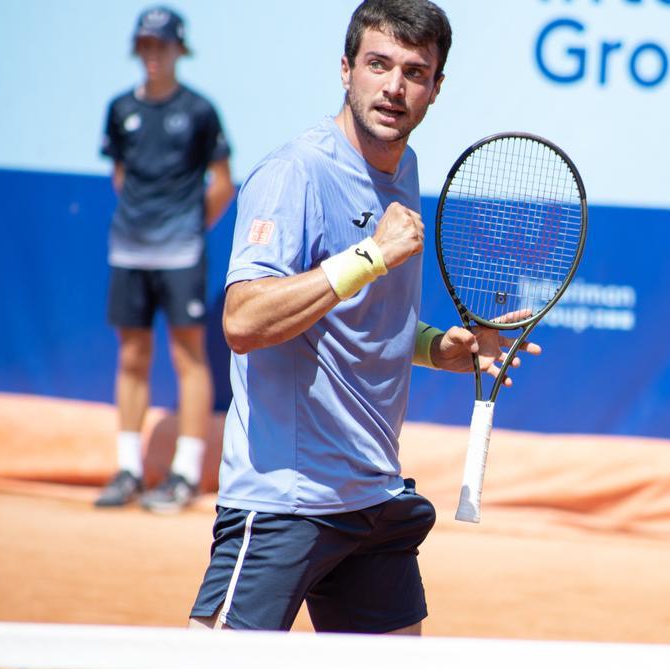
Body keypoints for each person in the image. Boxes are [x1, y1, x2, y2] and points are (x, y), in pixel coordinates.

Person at [187, 0, 541, 633]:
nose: (393, 86)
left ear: (435, 88)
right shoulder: (294, 173)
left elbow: (360, 322)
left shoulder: (403, 168)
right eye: (378, 64)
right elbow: (243, 321)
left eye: (414, 71)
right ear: (346, 70)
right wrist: (371, 254)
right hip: (285, 503)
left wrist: (442, 349)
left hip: (372, 499)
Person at [94, 6, 234, 513]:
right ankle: (129, 468)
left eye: (163, 46)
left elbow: (222, 184)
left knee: (187, 357)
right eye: (146, 46)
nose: (153, 56)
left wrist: (187, 231)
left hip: (181, 253)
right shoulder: (119, 110)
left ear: (179, 50)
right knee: (131, 355)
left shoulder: (199, 111)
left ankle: (185, 473)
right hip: (128, 249)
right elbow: (121, 178)